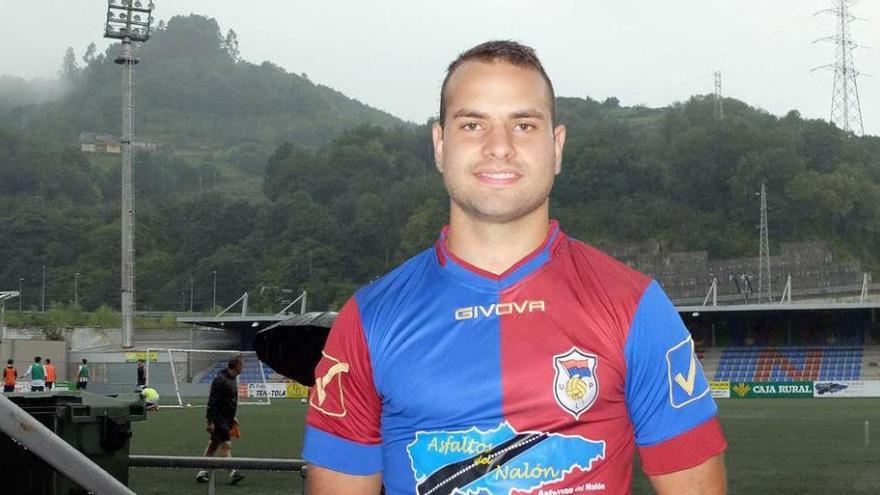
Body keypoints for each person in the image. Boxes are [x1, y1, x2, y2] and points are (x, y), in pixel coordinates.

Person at [303, 41, 727, 495]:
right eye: (472, 124)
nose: (499, 147)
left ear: (556, 146)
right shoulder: (368, 320)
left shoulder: (636, 307)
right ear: (440, 145)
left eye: (523, 125)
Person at [196, 356, 245, 485]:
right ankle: (233, 473)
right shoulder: (220, 380)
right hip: (218, 419)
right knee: (226, 445)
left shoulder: (232, 378)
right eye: (242, 365)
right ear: (236, 365)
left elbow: (228, 401)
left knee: (213, 445)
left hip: (226, 418)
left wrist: (232, 416)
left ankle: (202, 472)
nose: (243, 367)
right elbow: (213, 402)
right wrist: (210, 421)